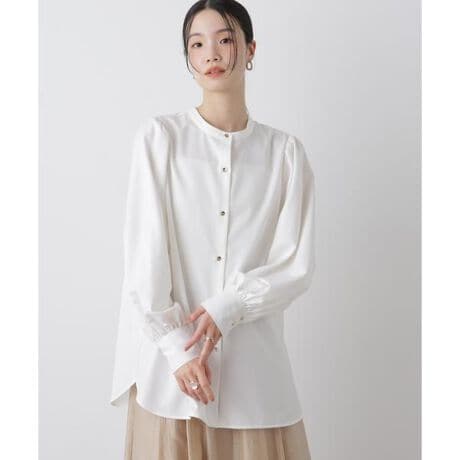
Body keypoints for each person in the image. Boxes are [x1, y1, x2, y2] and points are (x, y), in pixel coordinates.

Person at [110, 1, 316, 458]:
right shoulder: (160, 139)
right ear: (187, 56)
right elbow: (144, 256)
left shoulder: (285, 154)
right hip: (171, 378)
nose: (211, 54)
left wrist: (228, 306)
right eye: (197, 44)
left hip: (255, 381)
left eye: (224, 39)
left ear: (250, 49)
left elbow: (295, 264)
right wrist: (177, 350)